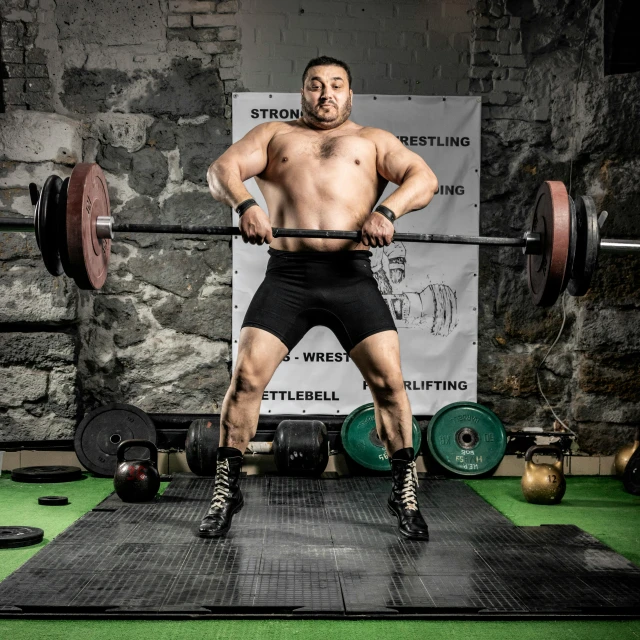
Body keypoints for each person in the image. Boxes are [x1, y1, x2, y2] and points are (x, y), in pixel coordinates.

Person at [201, 56, 439, 541]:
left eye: (336, 85)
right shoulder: (273, 136)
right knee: (246, 378)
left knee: (390, 384)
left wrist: (388, 211)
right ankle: (227, 487)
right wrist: (245, 205)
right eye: (315, 85)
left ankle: (403, 487)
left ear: (350, 94)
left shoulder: (372, 142)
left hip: (350, 275)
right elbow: (221, 170)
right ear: (302, 92)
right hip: (289, 275)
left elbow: (424, 179)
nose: (325, 94)